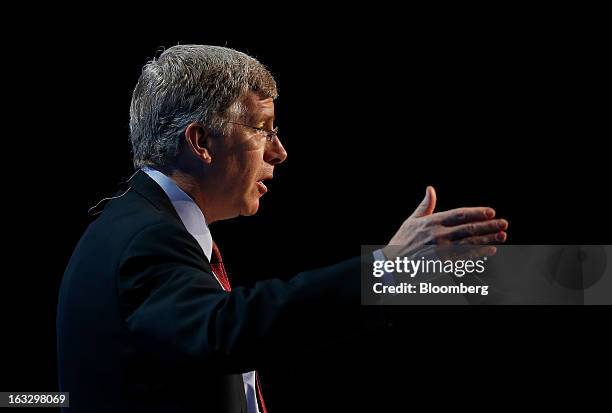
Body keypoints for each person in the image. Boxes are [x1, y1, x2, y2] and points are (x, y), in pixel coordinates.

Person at [56, 45, 508, 412]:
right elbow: (225, 331)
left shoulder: (144, 224)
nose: (280, 152)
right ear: (200, 142)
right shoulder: (143, 239)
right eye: (262, 129)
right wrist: (386, 272)